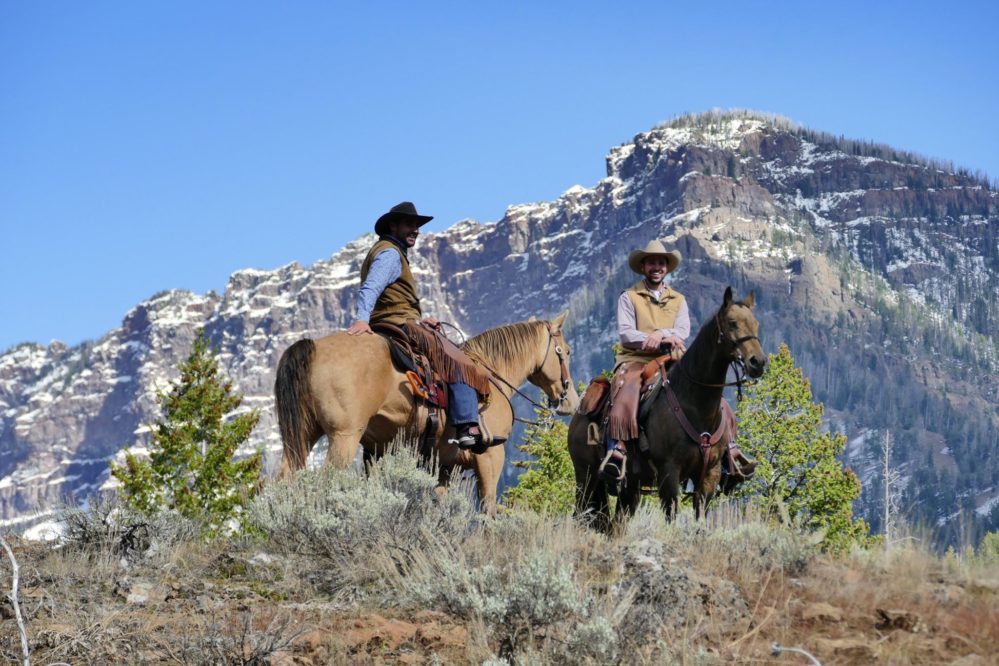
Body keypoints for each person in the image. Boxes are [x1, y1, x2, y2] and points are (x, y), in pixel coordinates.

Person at [347, 202, 491, 448]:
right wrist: (362, 318)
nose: (416, 230)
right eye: (409, 225)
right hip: (399, 324)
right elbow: (371, 287)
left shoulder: (388, 251)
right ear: (393, 226)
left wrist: (420, 320)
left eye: (417, 225)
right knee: (459, 362)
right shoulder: (391, 254)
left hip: (395, 321)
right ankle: (467, 425)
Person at [599, 239, 690, 487]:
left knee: (702, 384)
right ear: (643, 266)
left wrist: (660, 334)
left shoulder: (679, 300)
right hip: (636, 359)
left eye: (661, 262)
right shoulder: (629, 297)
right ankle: (616, 448)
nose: (657, 267)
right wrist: (655, 337)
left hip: (672, 359)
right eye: (652, 262)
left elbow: (682, 331)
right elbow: (626, 334)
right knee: (627, 385)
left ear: (667, 267)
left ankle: (724, 450)